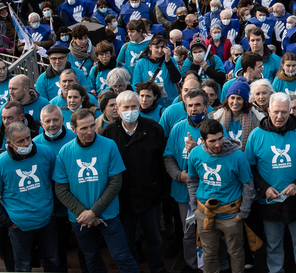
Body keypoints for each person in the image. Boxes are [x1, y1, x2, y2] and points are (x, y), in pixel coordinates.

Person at [52, 109, 139, 273]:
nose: (90, 131)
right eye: (84, 128)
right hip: (80, 219)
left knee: (122, 256)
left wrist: (94, 212)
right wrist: (83, 213)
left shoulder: (109, 145)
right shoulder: (65, 152)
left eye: (92, 126)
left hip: (108, 216)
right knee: (91, 258)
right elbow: (61, 188)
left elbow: (115, 183)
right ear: (73, 129)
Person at [245, 92, 296, 273]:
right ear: (268, 110)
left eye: (284, 112)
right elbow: (250, 168)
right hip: (269, 201)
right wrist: (263, 188)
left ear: (290, 111)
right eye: (276, 111)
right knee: (273, 245)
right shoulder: (256, 135)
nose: (280, 116)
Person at [103, 90, 168, 273]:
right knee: (128, 239)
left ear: (139, 107)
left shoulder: (153, 128)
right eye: (126, 107)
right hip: (123, 197)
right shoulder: (108, 132)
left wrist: (163, 192)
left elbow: (162, 162)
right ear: (117, 109)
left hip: (150, 196)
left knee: (154, 237)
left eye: (134, 106)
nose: (130, 111)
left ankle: (157, 268)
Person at [0, 122, 60, 273]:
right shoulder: (0, 163)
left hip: (46, 220)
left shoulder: (45, 152)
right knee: (23, 265)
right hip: (19, 226)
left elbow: (57, 182)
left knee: (53, 260)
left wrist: (54, 209)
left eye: (28, 138)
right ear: (9, 143)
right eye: (20, 141)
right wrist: (9, 222)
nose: (26, 143)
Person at [187, 118, 255, 273]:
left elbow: (248, 185)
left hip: (231, 215)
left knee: (236, 253)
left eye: (220, 139)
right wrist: (194, 208)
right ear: (203, 140)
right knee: (209, 254)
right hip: (204, 214)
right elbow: (192, 180)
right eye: (212, 141)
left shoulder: (238, 156)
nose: (218, 144)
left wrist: (243, 213)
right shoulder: (195, 154)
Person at [163, 88, 209, 272]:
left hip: (208, 191)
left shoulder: (215, 127)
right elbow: (168, 157)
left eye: (198, 104)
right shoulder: (177, 128)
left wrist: (197, 149)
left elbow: (222, 158)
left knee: (210, 231)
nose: (194, 109)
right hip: (183, 192)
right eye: (190, 105)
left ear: (206, 106)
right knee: (188, 231)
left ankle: (211, 265)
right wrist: (178, 175)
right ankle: (192, 264)